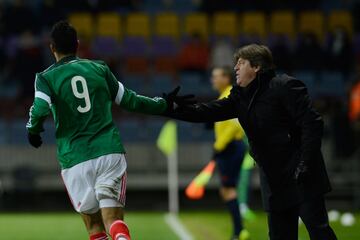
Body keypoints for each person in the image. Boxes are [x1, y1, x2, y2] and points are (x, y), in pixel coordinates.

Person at [25, 21, 191, 240]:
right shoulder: (99, 69)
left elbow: (40, 108)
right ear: (77, 44)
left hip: (74, 158)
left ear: (51, 48)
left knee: (94, 227)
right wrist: (163, 104)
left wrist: (33, 130)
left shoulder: (45, 78)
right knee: (113, 220)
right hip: (108, 152)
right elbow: (130, 101)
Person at [167, 44, 338, 240]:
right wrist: (172, 108)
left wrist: (305, 161)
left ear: (256, 67)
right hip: (273, 179)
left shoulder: (284, 86)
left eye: (241, 63)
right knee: (280, 236)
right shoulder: (240, 97)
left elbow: (312, 123)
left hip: (302, 173)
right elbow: (208, 111)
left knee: (319, 232)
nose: (235, 68)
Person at [210, 66, 250, 240]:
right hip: (230, 147)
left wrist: (219, 146)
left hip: (231, 147)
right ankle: (238, 230)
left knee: (228, 189)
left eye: (216, 76)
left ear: (226, 78)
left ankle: (239, 231)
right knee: (226, 190)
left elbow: (234, 124)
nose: (213, 80)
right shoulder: (225, 94)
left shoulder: (228, 95)